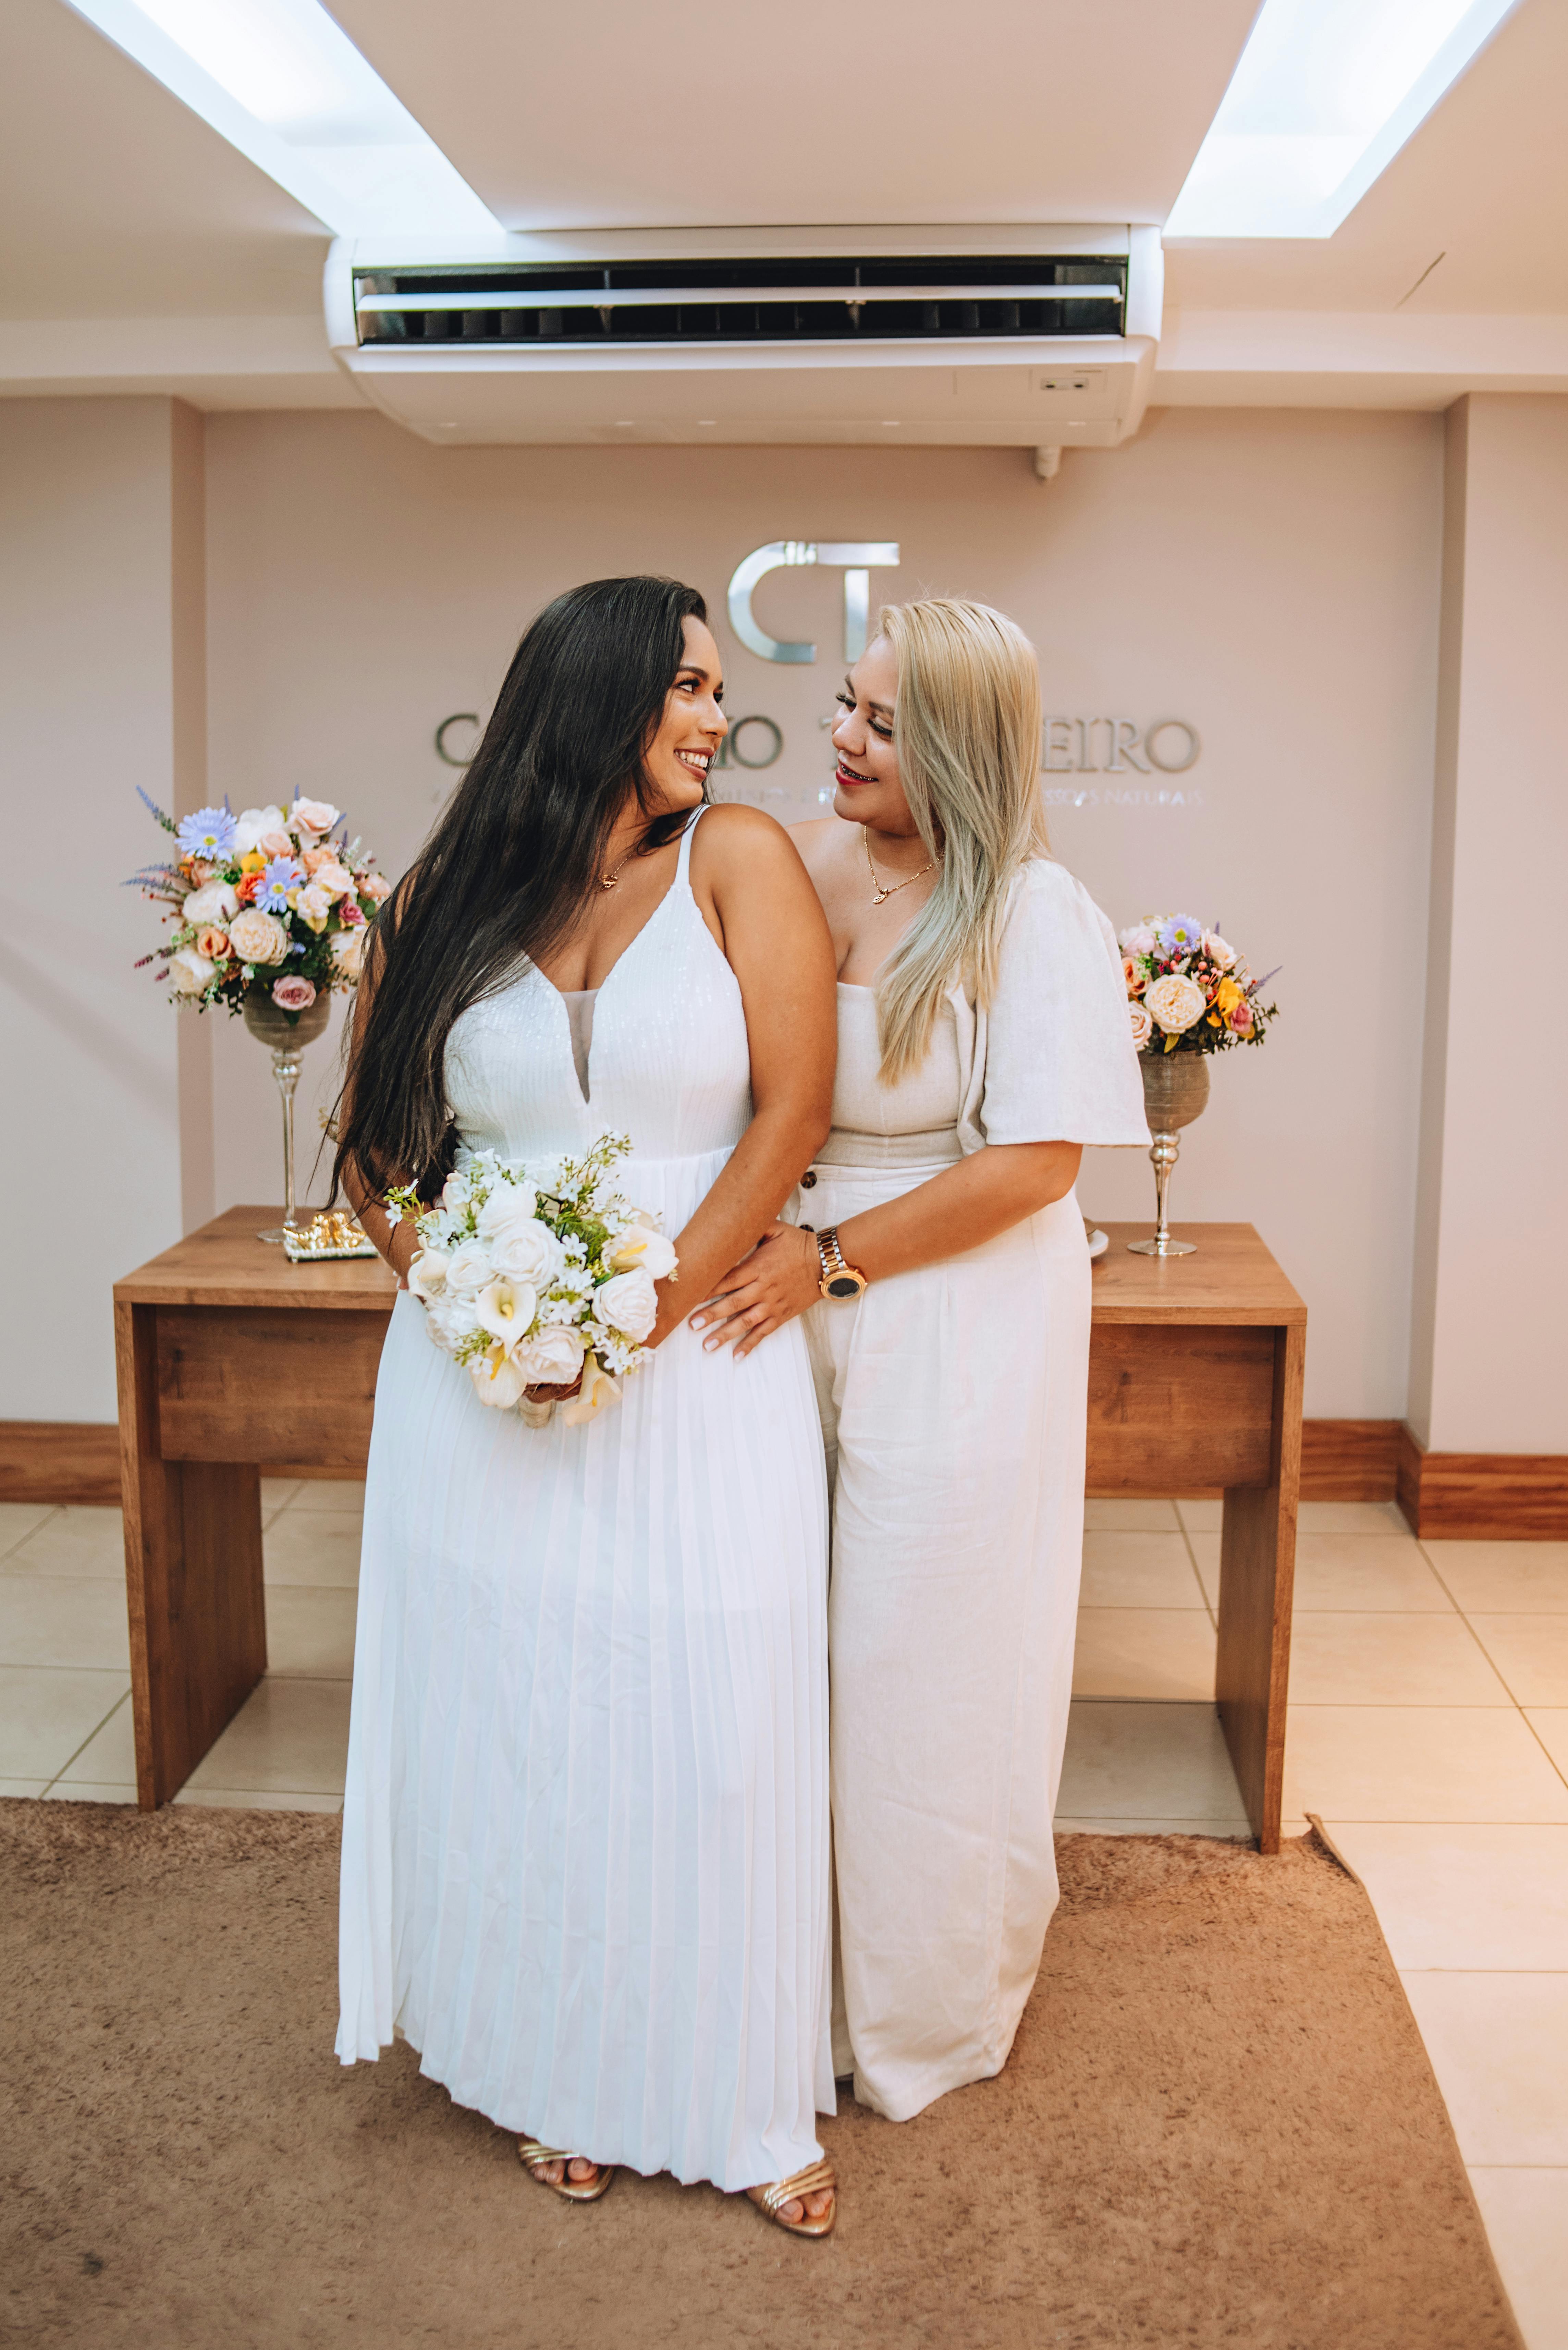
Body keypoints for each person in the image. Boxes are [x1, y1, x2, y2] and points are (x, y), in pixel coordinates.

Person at [334, 576, 840, 2236]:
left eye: (715, 688)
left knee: (715, 1717)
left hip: (694, 1372)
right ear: (594, 694)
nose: (714, 714)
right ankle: (549, 2060)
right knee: (523, 1725)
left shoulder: (742, 861)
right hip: (487, 1398)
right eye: (685, 685)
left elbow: (790, 1111)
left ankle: (742, 2092)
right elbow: (371, 1151)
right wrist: (471, 1313)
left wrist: (635, 1314)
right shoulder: (439, 898)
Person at [691, 597, 1149, 2122]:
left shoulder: (1031, 908)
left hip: (950, 1311)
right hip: (781, 1291)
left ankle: (912, 2005)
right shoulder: (798, 865)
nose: (841, 739)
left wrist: (828, 1259)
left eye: (884, 724)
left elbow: (1035, 1163)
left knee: (912, 1661)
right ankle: (778, 1981)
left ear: (959, 743)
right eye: (844, 706)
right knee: (777, 1650)